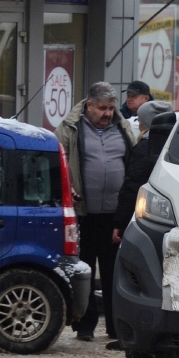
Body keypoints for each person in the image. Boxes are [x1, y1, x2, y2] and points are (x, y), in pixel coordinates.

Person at [57, 81, 136, 342]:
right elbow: (60, 163)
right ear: (88, 105)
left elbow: (133, 166)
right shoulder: (71, 129)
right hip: (84, 214)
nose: (107, 114)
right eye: (102, 108)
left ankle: (115, 326)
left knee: (115, 273)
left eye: (111, 108)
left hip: (116, 217)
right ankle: (86, 325)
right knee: (86, 271)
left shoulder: (123, 129)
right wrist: (69, 190)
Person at [107, 99, 173, 350]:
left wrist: (120, 223)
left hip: (142, 222)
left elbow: (132, 186)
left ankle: (125, 331)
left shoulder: (143, 149)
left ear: (143, 125)